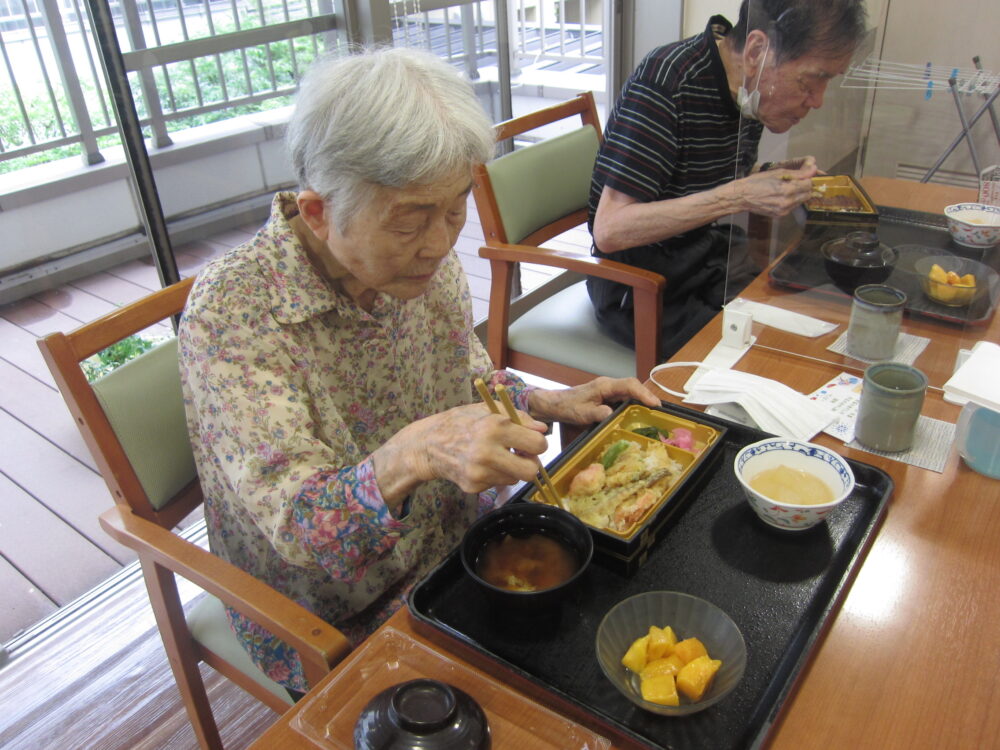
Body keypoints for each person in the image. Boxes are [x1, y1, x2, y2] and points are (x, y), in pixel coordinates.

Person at [178, 46, 660, 695]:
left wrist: (549, 402)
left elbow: (468, 382)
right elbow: (301, 528)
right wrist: (413, 455)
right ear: (318, 213)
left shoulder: (421, 271)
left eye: (455, 207)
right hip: (328, 609)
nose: (440, 244)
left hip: (453, 542)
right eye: (410, 220)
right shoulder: (235, 318)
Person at [588, 0, 867, 358]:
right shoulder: (666, 81)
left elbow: (704, 178)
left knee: (818, 326)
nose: (818, 101)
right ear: (756, 51)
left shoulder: (747, 91)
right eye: (812, 81)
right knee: (768, 359)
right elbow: (610, 229)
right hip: (646, 288)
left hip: (712, 264)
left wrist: (771, 176)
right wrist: (740, 195)